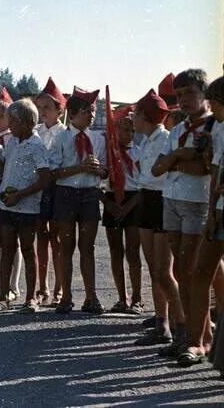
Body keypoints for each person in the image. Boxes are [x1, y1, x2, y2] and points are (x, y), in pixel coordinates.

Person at [151, 69, 213, 358]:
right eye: (179, 95)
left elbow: (203, 168)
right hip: (172, 199)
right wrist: (178, 157)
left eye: (189, 93)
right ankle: (190, 332)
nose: (184, 100)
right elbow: (158, 167)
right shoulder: (177, 130)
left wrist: (174, 160)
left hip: (197, 202)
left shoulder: (212, 128)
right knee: (178, 270)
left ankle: (199, 338)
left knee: (189, 271)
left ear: (204, 93)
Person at [0, 99, 51, 313]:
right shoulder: (12, 142)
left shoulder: (37, 146)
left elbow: (44, 179)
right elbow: (4, 169)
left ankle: (31, 298)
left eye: (12, 121)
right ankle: (3, 295)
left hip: (27, 207)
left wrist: (20, 195)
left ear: (25, 122)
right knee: (6, 249)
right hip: (5, 204)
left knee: (27, 249)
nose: (9, 125)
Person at [49, 86, 107, 315]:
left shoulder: (98, 139)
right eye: (86, 111)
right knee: (66, 247)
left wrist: (98, 170)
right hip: (66, 195)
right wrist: (79, 168)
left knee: (88, 247)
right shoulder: (61, 138)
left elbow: (105, 172)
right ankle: (67, 297)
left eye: (92, 110)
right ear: (72, 114)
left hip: (89, 195)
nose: (91, 115)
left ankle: (91, 297)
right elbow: (54, 171)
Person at [180, 75, 224, 366]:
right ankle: (199, 341)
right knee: (200, 272)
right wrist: (212, 212)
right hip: (220, 210)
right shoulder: (218, 128)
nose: (213, 109)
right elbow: (216, 172)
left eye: (216, 104)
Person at [132, 89, 174, 346]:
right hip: (146, 198)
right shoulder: (146, 140)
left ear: (145, 116)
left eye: (135, 114)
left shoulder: (164, 139)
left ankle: (166, 324)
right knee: (152, 265)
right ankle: (161, 315)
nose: (132, 119)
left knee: (162, 269)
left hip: (160, 201)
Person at [100, 106, 143, 314]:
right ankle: (121, 298)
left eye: (133, 130)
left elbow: (144, 185)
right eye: (126, 130)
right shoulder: (106, 152)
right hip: (111, 201)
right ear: (114, 129)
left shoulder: (139, 152)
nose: (130, 134)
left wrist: (128, 206)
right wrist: (107, 203)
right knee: (115, 251)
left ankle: (137, 298)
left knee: (133, 251)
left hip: (133, 201)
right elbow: (96, 182)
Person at [33, 77, 67, 306]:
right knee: (41, 238)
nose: (43, 111)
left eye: (47, 107)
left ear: (59, 109)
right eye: (40, 108)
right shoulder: (35, 132)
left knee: (57, 240)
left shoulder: (64, 134)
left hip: (57, 188)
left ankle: (59, 289)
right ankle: (42, 286)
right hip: (37, 188)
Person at [0, 87, 22, 301]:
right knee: (0, 240)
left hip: (12, 189)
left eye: (1, 116)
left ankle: (14, 284)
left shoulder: (14, 138)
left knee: (15, 240)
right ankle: (3, 282)